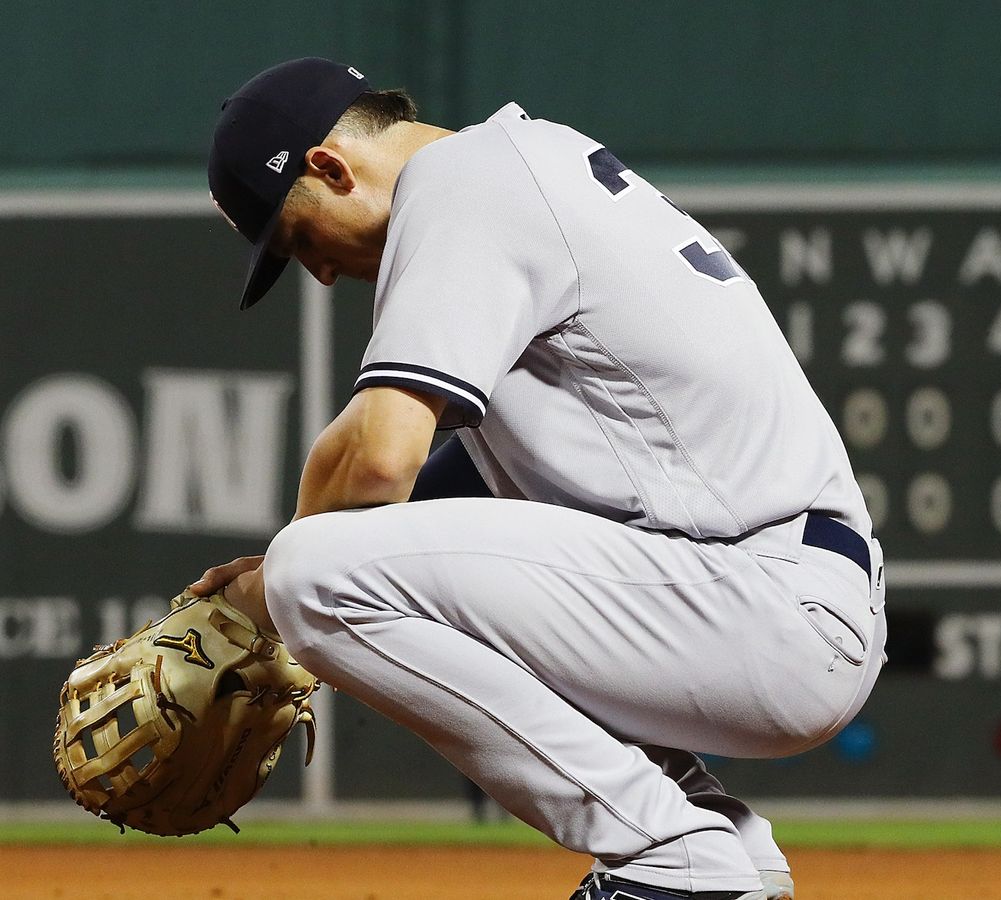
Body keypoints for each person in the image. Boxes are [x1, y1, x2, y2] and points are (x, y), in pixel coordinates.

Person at [194, 58, 886, 900]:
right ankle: (726, 856)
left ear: (331, 168)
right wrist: (273, 584)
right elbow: (431, 504)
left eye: (300, 240)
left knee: (314, 573)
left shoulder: (464, 183)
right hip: (760, 591)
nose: (324, 273)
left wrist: (268, 597)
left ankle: (674, 856)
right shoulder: (522, 169)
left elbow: (380, 459)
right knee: (325, 565)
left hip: (759, 595)